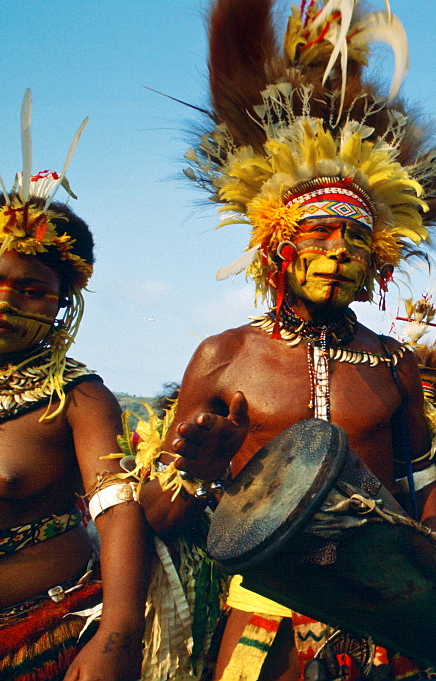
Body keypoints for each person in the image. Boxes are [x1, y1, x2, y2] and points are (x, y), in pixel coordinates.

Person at [137, 2, 436, 679]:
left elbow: (425, 491)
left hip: (389, 609)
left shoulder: (391, 362)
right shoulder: (225, 356)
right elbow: (155, 514)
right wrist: (194, 475)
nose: (336, 254)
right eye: (319, 234)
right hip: (266, 617)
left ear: (378, 260)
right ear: (276, 245)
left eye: (355, 239)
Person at [0, 91, 151, 681]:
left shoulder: (79, 397)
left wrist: (117, 635)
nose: (7, 301)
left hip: (43, 633)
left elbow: (116, 514)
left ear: (61, 308)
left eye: (32, 290)